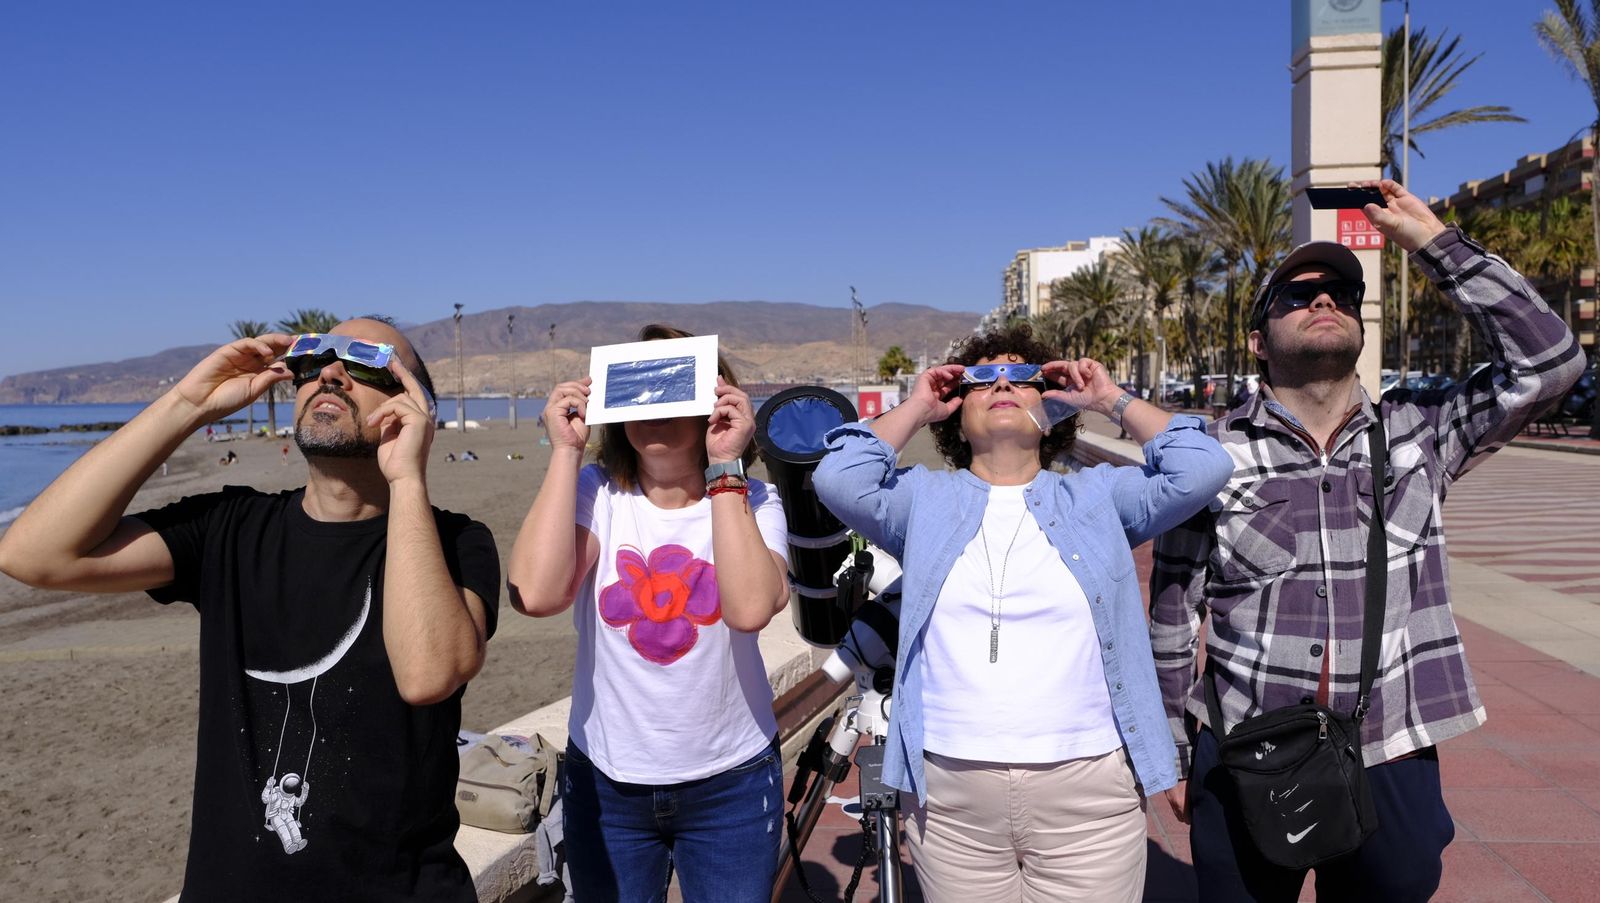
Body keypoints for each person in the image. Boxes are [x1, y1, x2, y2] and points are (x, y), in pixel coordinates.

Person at [1150, 179, 1585, 903]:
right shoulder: (1210, 456)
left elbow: (1552, 365)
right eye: (1297, 294)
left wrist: (1435, 244)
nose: (1324, 300)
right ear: (1258, 341)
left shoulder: (1421, 434)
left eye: (1340, 294)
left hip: (1391, 742)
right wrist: (1168, 751)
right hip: (1241, 746)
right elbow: (1172, 612)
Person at [0, 318, 500, 902]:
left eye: (366, 363)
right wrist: (187, 405)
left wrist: (408, 480)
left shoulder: (457, 542)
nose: (330, 375)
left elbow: (428, 674)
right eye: (312, 361)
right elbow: (33, 555)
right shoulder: (229, 528)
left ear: (414, 407)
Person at [812, 324, 1232, 902]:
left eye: (1022, 376)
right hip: (950, 801)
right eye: (982, 377)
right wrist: (915, 405)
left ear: (1049, 407)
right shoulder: (923, 500)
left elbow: (1204, 465)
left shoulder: (1097, 496)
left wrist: (1109, 398)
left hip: (1090, 792)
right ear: (957, 414)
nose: (1002, 383)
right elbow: (837, 476)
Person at [507, 324, 791, 903]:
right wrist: (565, 452)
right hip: (606, 784)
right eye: (638, 392)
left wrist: (726, 468)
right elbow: (536, 594)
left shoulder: (756, 501)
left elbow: (750, 608)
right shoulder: (598, 493)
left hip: (731, 781)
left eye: (677, 390)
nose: (657, 410)